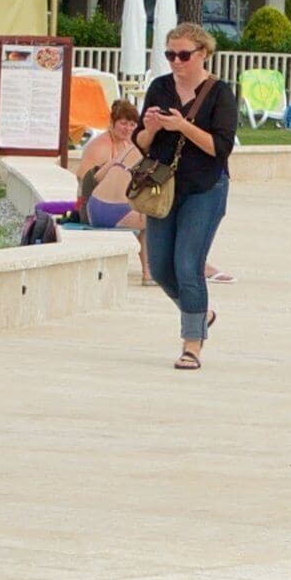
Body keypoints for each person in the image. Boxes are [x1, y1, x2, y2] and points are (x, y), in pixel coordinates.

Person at [138, 22, 237, 369]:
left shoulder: (219, 93)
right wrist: (149, 130)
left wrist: (183, 126)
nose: (176, 62)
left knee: (188, 265)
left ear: (203, 54)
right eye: (170, 55)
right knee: (162, 269)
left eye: (183, 55)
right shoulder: (159, 88)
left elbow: (220, 148)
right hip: (162, 187)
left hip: (205, 187)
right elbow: (140, 142)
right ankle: (202, 313)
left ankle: (191, 345)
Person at [69, 109, 149, 281]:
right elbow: (85, 177)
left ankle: (150, 271)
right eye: (123, 123)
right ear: (112, 123)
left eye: (132, 125)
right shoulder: (101, 146)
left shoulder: (126, 148)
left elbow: (98, 176)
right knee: (160, 219)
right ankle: (150, 272)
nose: (128, 128)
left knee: (146, 217)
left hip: (97, 206)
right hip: (92, 207)